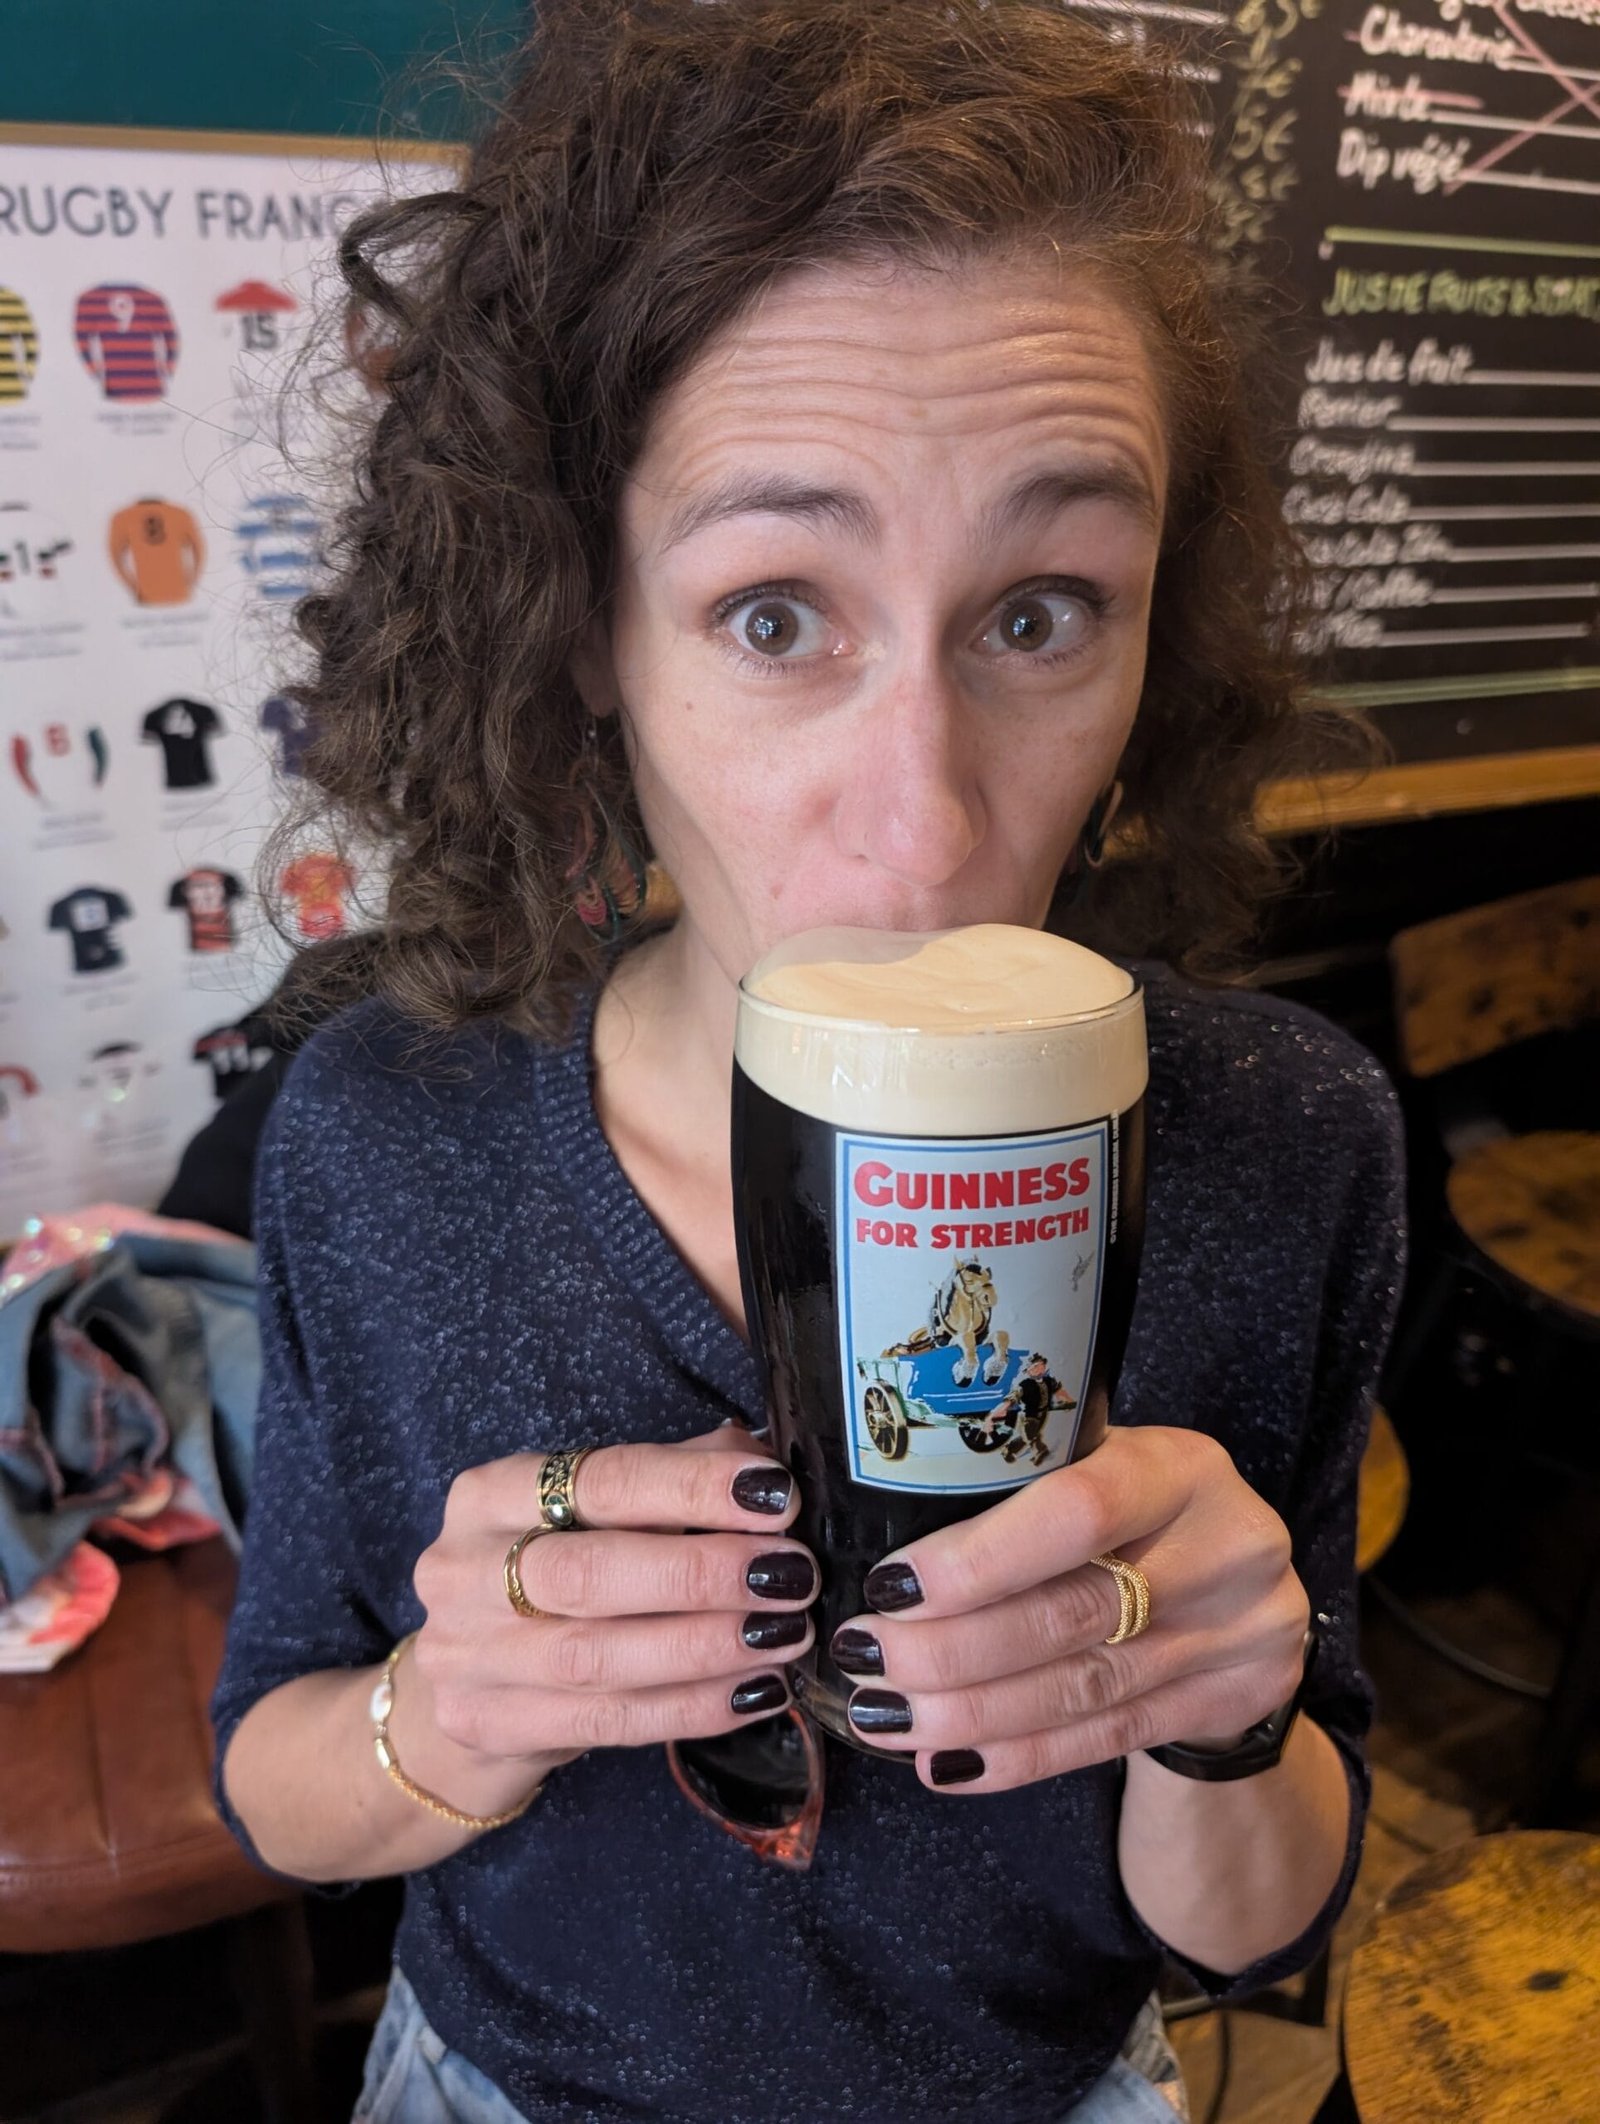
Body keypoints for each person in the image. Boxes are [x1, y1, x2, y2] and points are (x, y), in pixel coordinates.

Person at [210, 5, 1405, 2121]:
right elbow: (282, 1793)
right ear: (584, 623)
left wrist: (1226, 1716)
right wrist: (451, 1709)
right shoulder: (384, 1134)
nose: (927, 830)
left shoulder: (1283, 1142)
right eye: (775, 612)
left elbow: (1258, 1919)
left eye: (1038, 610)